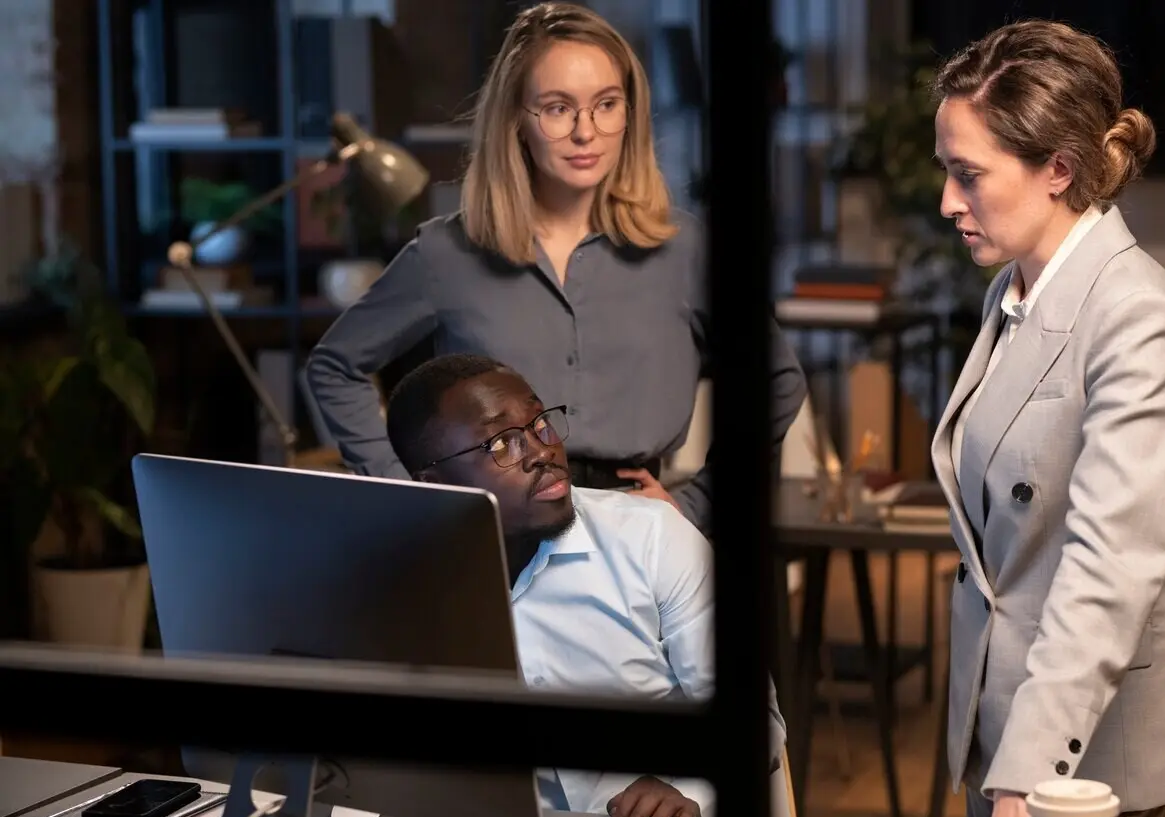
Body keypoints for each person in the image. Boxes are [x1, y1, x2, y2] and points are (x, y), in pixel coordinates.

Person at [306, 1, 807, 535]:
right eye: (558, 108)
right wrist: (407, 495)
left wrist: (698, 504)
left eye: (606, 104)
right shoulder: (447, 254)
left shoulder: (685, 249)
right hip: (498, 536)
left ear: (629, 113)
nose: (586, 132)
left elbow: (777, 380)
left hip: (638, 532)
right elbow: (335, 365)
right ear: (516, 120)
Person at [927, 20, 1165, 817]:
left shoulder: (1132, 311)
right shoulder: (1014, 289)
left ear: (1058, 169)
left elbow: (1110, 565)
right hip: (1010, 713)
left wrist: (1029, 770)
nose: (948, 201)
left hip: (1087, 751)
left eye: (968, 174)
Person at [384, 352, 788, 817]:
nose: (541, 451)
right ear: (435, 483)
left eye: (541, 425)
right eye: (502, 443)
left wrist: (688, 792)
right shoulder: (406, 582)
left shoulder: (653, 539)